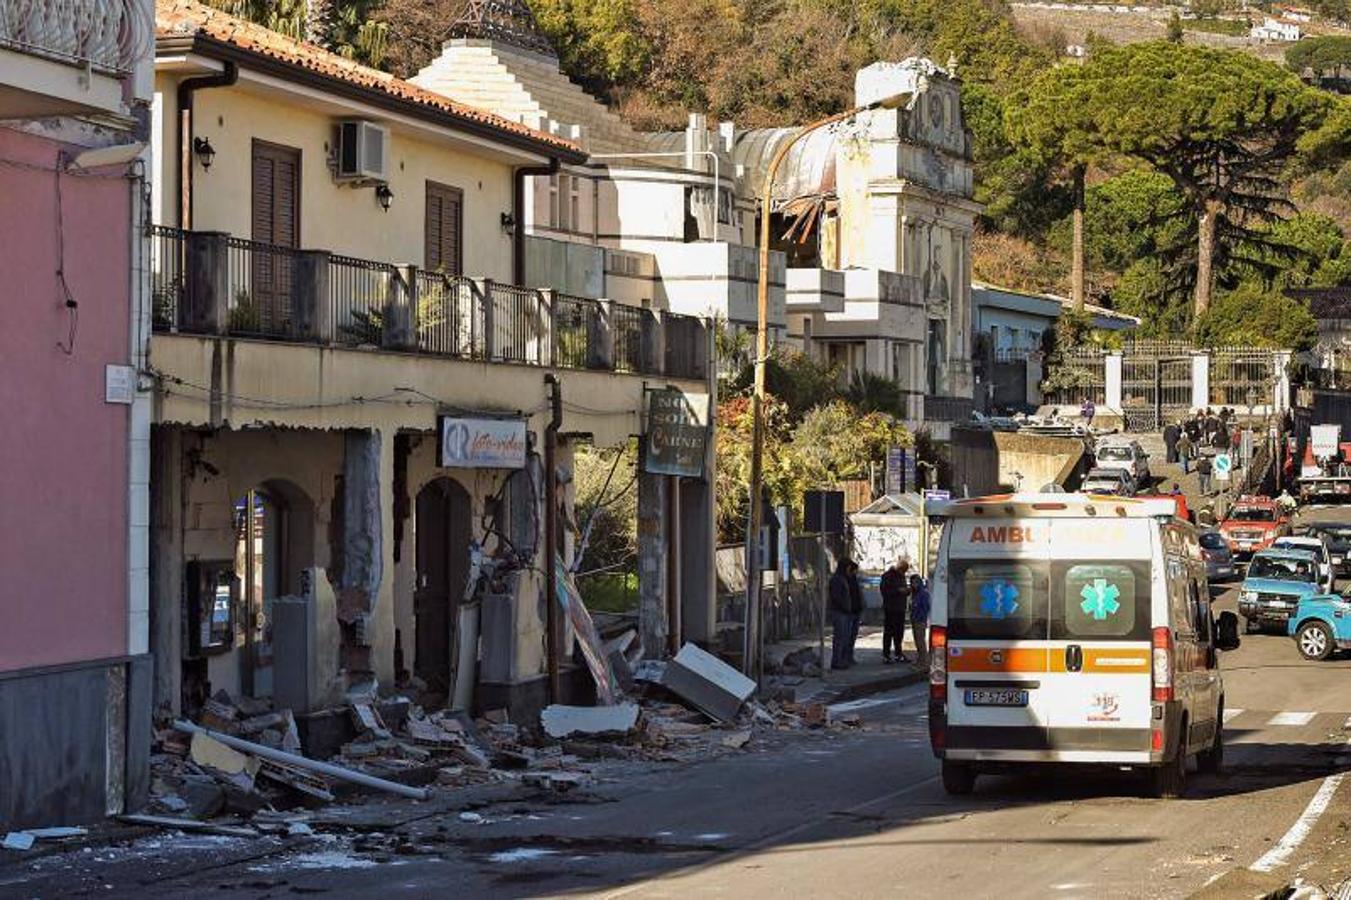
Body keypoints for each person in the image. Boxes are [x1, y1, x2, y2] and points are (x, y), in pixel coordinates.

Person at [879, 558, 911, 664]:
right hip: (890, 608)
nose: (904, 573)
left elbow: (904, 589)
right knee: (889, 632)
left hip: (900, 608)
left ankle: (898, 653)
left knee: (899, 633)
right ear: (899, 568)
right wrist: (898, 591)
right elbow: (885, 591)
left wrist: (907, 591)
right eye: (903, 570)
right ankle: (886, 655)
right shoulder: (887, 576)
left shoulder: (901, 577)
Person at [828, 559, 855, 670]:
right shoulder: (837, 579)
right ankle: (837, 661)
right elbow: (836, 596)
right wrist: (845, 607)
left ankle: (841, 660)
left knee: (844, 637)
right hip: (839, 612)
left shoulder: (842, 578)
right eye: (848, 567)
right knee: (839, 637)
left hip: (843, 612)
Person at [909, 572, 932, 667]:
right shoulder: (915, 593)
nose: (914, 585)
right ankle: (920, 659)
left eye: (915, 583)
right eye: (912, 583)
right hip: (914, 619)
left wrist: (919, 617)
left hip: (920, 620)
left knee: (920, 641)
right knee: (917, 640)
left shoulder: (923, 593)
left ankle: (923, 660)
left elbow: (925, 607)